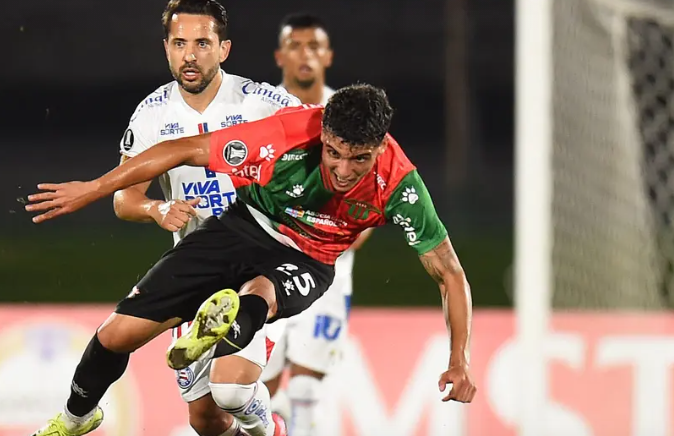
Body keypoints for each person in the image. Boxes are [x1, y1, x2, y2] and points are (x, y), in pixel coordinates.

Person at [26, 84, 478, 436]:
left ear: (379, 148)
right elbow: (182, 149)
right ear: (323, 133)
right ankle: (74, 418)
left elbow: (449, 273)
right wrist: (93, 187)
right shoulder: (287, 135)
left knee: (240, 349)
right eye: (334, 152)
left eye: (358, 159)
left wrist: (460, 359)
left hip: (308, 259)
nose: (342, 171)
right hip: (243, 227)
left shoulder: (401, 186)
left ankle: (240, 344)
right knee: (116, 337)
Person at [109, 1, 299, 435]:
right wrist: (156, 209)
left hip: (259, 267)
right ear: (166, 49)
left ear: (224, 48)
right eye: (179, 43)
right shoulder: (152, 114)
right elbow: (124, 198)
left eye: (201, 43)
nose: (189, 55)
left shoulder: (264, 103)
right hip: (195, 270)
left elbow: (316, 153)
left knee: (231, 391)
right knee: (206, 419)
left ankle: (268, 428)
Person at [261, 13, 372, 435]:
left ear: (328, 56)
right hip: (268, 265)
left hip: (327, 270)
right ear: (279, 55)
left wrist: (352, 238)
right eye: (295, 45)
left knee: (307, 384)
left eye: (314, 46)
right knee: (262, 387)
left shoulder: (352, 112)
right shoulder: (261, 110)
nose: (305, 54)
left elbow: (374, 185)